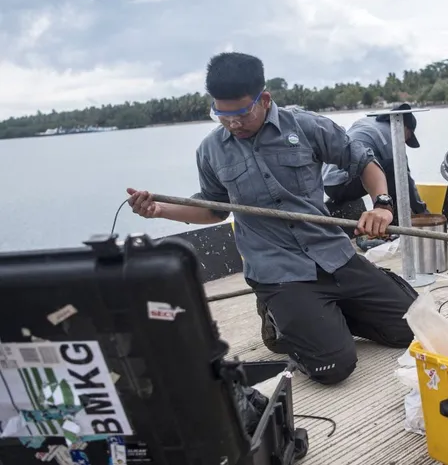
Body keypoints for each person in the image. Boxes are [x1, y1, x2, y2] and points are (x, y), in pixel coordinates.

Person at [127, 52, 417, 386]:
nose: (232, 123)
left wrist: (381, 204)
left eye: (241, 113)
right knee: (334, 367)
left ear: (264, 99)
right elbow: (213, 209)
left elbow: (362, 161)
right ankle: (284, 320)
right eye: (222, 115)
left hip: (333, 254)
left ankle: (326, 315)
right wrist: (161, 210)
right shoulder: (211, 151)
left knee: (413, 329)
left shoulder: (307, 126)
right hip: (278, 272)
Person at [322, 103, 428, 216]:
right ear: (406, 128)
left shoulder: (368, 122)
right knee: (395, 170)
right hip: (342, 183)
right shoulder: (391, 134)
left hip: (328, 184)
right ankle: (395, 223)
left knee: (381, 168)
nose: (404, 142)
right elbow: (402, 174)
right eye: (408, 137)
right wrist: (420, 209)